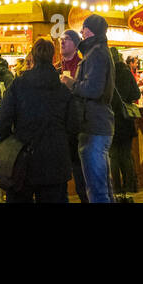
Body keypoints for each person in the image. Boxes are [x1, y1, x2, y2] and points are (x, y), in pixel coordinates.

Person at [0, 37, 79, 203]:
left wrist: (9, 142)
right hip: (56, 159)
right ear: (52, 58)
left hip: (23, 158)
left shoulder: (18, 85)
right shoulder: (63, 91)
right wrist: (68, 153)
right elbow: (73, 127)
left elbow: (2, 119)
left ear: (32, 57)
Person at [61, 14, 116, 203]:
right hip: (97, 123)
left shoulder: (96, 53)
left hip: (94, 124)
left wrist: (71, 83)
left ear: (88, 30)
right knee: (102, 186)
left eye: (82, 29)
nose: (81, 33)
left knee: (97, 189)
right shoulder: (97, 51)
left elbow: (93, 89)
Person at [110, 46, 141, 200]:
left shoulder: (106, 74)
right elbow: (136, 93)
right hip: (126, 118)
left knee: (114, 155)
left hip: (111, 119)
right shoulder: (127, 72)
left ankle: (117, 189)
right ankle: (129, 188)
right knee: (126, 154)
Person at [59, 28, 86, 201]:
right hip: (61, 126)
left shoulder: (83, 66)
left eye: (67, 39)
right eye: (61, 39)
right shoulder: (56, 67)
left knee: (80, 171)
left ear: (76, 45)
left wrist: (73, 84)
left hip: (79, 125)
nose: (62, 41)